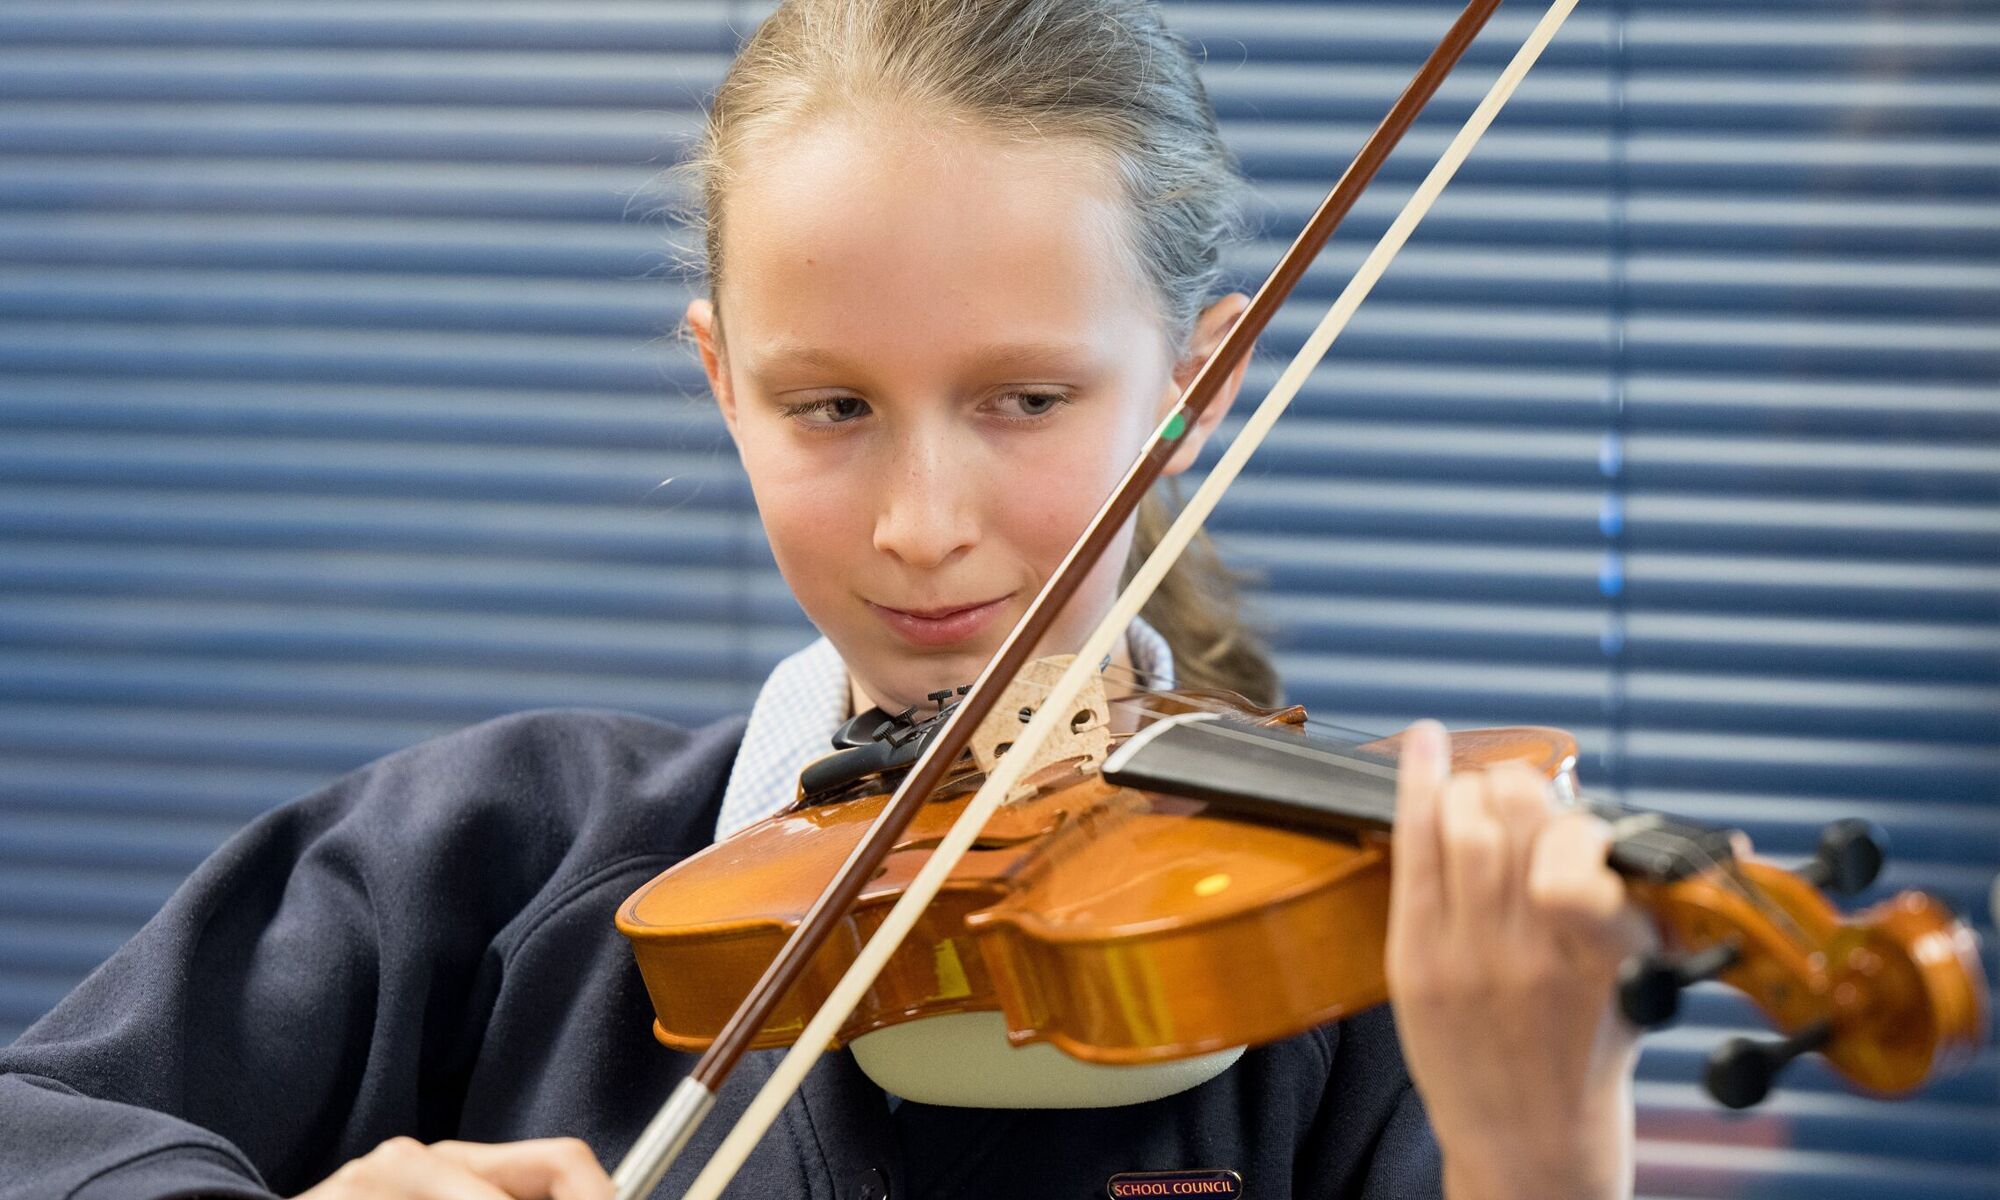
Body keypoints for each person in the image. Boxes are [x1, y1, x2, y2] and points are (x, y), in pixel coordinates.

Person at [0, 2, 1650, 1197]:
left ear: (1196, 383)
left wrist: (1539, 1162)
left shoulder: (1372, 970)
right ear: (725, 383)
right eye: (831, 408)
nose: (923, 528)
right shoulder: (479, 870)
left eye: (1024, 399)